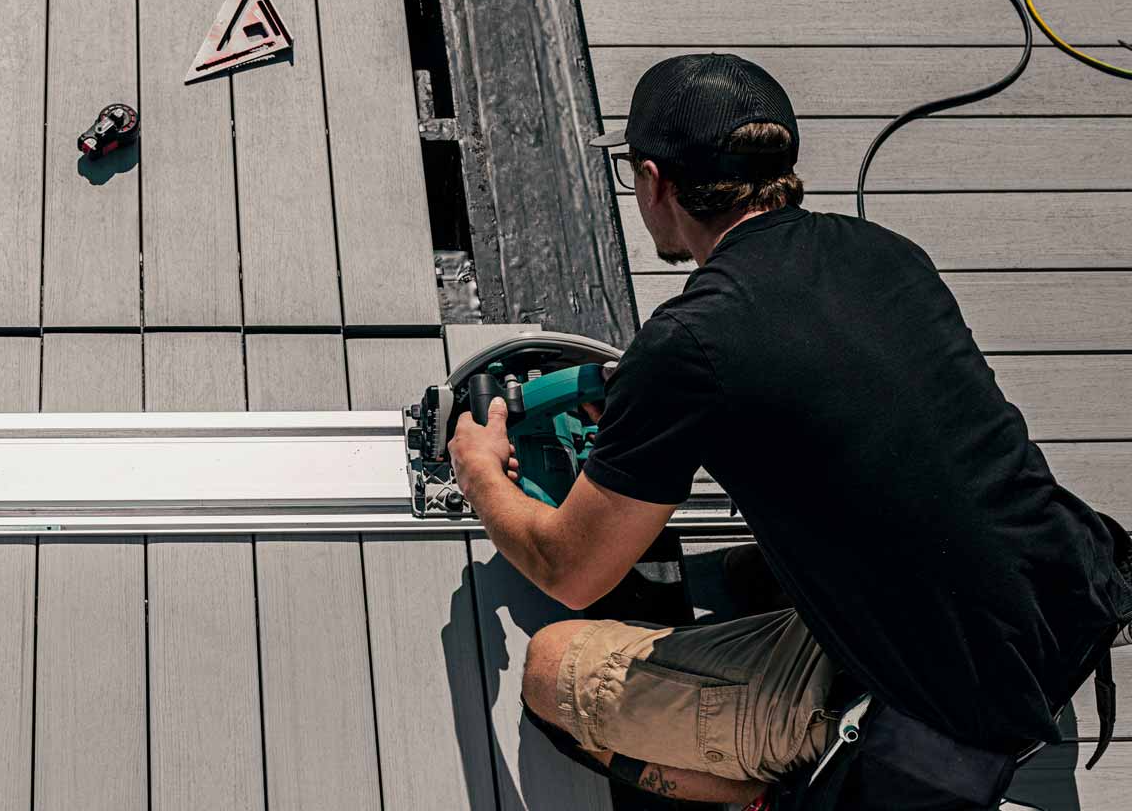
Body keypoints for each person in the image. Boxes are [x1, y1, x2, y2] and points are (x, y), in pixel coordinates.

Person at [446, 53, 1131, 807]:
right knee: (745, 575)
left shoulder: (693, 341)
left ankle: (776, 790)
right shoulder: (885, 252)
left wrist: (480, 472)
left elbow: (571, 570)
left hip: (946, 708)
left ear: (652, 181)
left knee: (552, 669)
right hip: (1057, 606)